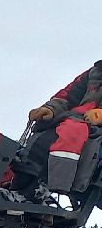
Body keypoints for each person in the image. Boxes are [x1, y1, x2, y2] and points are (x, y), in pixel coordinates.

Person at [17, 60, 102, 196]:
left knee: (69, 133)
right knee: (44, 137)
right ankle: (20, 188)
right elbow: (67, 97)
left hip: (92, 133)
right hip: (75, 121)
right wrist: (50, 109)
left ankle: (47, 188)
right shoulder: (94, 73)